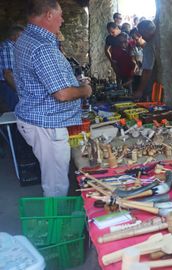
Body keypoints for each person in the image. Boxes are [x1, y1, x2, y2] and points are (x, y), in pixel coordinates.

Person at [14, 0, 92, 197]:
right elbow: (62, 94)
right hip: (46, 125)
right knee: (55, 185)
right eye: (60, 15)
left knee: (53, 178)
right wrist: (84, 90)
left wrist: (72, 80)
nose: (63, 19)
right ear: (48, 15)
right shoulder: (42, 47)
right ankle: (56, 225)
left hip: (38, 119)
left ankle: (56, 220)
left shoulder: (27, 38)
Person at [0, 24, 24, 111]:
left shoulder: (13, 48)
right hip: (7, 85)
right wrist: (20, 92)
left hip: (9, 85)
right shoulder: (7, 48)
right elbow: (7, 74)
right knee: (13, 113)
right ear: (15, 36)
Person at [132, 20, 156, 100]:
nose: (142, 36)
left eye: (141, 33)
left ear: (146, 31)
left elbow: (147, 70)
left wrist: (140, 90)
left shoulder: (149, 46)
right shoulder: (160, 41)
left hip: (153, 83)